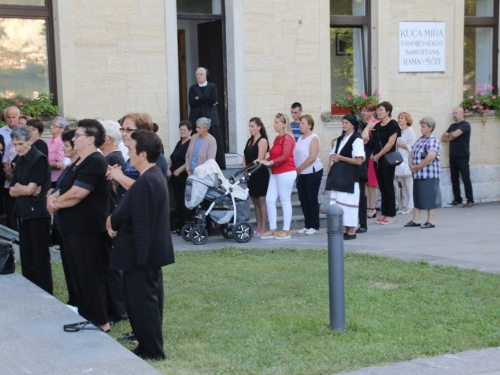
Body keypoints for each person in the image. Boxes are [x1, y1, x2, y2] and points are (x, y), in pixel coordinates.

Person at [108, 130, 175, 360]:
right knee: (135, 303)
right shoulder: (147, 177)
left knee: (144, 304)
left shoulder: (150, 178)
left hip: (141, 255)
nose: (127, 152)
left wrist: (113, 220)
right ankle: (145, 345)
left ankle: (154, 351)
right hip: (136, 254)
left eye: (131, 149)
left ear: (143, 154)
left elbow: (142, 221)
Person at [47, 119, 111, 333]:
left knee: (90, 274)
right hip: (72, 228)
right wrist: (53, 199)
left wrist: (54, 204)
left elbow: (76, 194)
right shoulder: (78, 162)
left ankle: (101, 322)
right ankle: (87, 314)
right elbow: (62, 188)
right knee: (77, 275)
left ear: (91, 139)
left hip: (88, 229)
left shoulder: (95, 161)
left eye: (78, 135)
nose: (73, 138)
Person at [9, 125, 52, 294]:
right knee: (26, 256)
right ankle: (31, 292)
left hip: (38, 212)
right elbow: (13, 190)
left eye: (21, 143)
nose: (18, 147)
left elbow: (28, 191)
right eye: (15, 144)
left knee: (40, 256)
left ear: (30, 141)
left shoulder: (38, 158)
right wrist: (23, 187)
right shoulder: (20, 159)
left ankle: (45, 292)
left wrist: (22, 189)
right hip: (24, 211)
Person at [106, 113, 169, 207]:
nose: (123, 134)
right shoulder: (131, 158)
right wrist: (115, 181)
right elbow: (123, 192)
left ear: (142, 132)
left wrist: (120, 177)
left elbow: (147, 191)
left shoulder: (155, 156)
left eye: (128, 130)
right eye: (122, 129)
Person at [100, 119, 128, 324]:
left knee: (113, 268)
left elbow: (117, 192)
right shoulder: (109, 157)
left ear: (109, 138)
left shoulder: (113, 158)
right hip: (110, 215)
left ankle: (119, 309)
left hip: (112, 215)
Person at [50, 129, 78, 307]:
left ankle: (78, 301)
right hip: (63, 224)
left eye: (67, 146)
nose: (64, 149)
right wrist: (50, 197)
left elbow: (75, 193)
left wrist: (55, 203)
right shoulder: (71, 166)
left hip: (74, 225)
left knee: (77, 268)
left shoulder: (80, 166)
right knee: (68, 266)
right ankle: (73, 299)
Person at [256, 113, 296, 240]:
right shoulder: (277, 138)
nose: (274, 124)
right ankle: (273, 228)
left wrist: (268, 162)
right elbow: (273, 155)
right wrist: (263, 160)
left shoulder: (288, 138)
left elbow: (285, 156)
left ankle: (286, 230)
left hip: (286, 171)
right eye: (274, 122)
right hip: (275, 172)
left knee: (285, 200)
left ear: (284, 124)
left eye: (277, 122)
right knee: (269, 200)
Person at [327, 114, 365, 240]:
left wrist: (340, 158)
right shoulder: (340, 139)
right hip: (338, 176)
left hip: (350, 177)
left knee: (349, 203)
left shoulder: (357, 140)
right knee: (339, 204)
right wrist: (331, 167)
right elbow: (332, 156)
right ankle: (343, 229)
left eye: (346, 123)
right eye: (343, 122)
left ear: (353, 125)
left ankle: (351, 232)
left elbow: (359, 161)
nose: (344, 125)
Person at [364, 101, 400, 225]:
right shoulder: (377, 125)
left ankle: (391, 214)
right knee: (382, 187)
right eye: (378, 110)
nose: (378, 112)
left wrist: (379, 155)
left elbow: (390, 143)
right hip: (377, 160)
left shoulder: (393, 124)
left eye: (381, 110)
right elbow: (371, 141)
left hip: (387, 159)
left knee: (388, 186)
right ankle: (384, 212)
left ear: (388, 111)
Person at [405, 116, 442, 228]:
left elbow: (431, 156)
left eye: (423, 127)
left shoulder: (433, 140)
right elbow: (411, 152)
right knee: (417, 196)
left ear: (430, 128)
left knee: (430, 197)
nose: (421, 129)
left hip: (429, 174)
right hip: (418, 174)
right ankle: (416, 220)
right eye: (421, 126)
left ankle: (430, 221)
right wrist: (411, 165)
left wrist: (417, 167)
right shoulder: (420, 140)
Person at [188, 67, 226, 169]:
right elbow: (191, 102)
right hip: (196, 117)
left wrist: (199, 98)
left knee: (214, 139)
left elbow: (213, 99)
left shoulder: (212, 87)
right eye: (197, 74)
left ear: (206, 76)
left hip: (211, 118)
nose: (199, 76)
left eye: (201, 74)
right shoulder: (192, 88)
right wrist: (206, 101)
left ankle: (218, 164)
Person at [293, 114, 323, 235]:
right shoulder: (300, 138)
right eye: (300, 123)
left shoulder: (314, 138)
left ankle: (314, 226)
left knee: (311, 198)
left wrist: (299, 168)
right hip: (301, 173)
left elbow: (312, 157)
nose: (300, 125)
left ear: (310, 125)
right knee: (303, 199)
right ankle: (307, 224)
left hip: (312, 172)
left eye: (303, 123)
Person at [441, 107, 474, 208]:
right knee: (454, 178)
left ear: (462, 114)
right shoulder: (452, 126)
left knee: (465, 178)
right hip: (453, 155)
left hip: (463, 155)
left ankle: (470, 200)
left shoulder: (465, 125)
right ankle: (457, 199)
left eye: (456, 113)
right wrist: (452, 135)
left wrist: (451, 135)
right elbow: (443, 138)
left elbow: (454, 135)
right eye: (453, 113)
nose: (454, 115)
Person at [243, 117, 270, 237]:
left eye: (252, 126)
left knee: (262, 200)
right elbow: (245, 156)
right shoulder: (249, 141)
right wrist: (244, 169)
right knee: (254, 200)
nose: (250, 129)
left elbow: (259, 160)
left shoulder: (262, 140)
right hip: (250, 174)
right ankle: (258, 226)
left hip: (259, 173)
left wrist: (248, 168)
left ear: (259, 127)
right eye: (249, 126)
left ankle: (264, 227)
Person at [169, 121, 192, 233]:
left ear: (190, 131)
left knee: (184, 202)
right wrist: (168, 168)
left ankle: (184, 226)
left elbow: (190, 159)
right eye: (181, 130)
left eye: (184, 130)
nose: (182, 132)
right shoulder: (179, 142)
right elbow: (172, 158)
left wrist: (179, 170)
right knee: (178, 201)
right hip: (175, 178)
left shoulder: (191, 142)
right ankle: (179, 225)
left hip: (184, 177)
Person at [360, 102, 379, 219]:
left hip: (372, 154)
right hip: (363, 154)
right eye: (364, 111)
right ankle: (367, 207)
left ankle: (372, 208)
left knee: (372, 183)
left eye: (367, 111)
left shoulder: (375, 124)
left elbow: (375, 140)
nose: (365, 113)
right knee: (366, 183)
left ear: (373, 112)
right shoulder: (363, 124)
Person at [2, 106, 19, 229]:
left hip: (21, 173)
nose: (12, 119)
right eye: (9, 117)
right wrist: (7, 171)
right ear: (5, 118)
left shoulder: (25, 131)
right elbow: (5, 155)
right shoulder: (1, 132)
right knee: (8, 204)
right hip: (5, 172)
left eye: (14, 117)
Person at [395, 112, 416, 215]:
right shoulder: (398, 131)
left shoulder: (410, 130)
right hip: (399, 158)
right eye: (399, 118)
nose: (399, 119)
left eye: (402, 118)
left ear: (407, 119)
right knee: (402, 184)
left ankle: (411, 205)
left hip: (406, 158)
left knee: (409, 184)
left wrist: (399, 144)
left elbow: (412, 146)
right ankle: (405, 204)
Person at [47, 116, 69, 188]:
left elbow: (59, 164)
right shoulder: (49, 140)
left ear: (62, 129)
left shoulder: (62, 142)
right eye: (51, 124)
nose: (51, 127)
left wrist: (44, 165)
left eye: (55, 126)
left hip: (55, 178)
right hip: (47, 177)